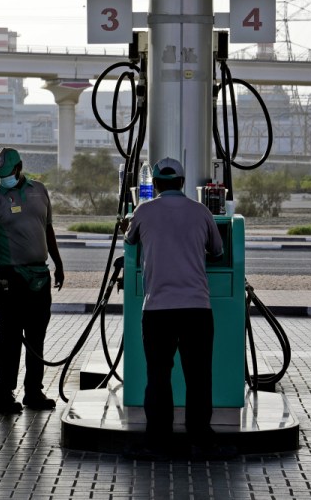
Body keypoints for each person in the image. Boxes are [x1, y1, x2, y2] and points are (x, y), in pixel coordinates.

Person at [121, 157, 224, 455]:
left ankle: (158, 441)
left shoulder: (144, 211)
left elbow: (130, 241)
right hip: (196, 310)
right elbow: (216, 251)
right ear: (181, 182)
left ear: (154, 185)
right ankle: (200, 439)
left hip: (157, 311)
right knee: (198, 377)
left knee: (158, 376)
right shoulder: (201, 211)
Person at [0, 147, 65, 415]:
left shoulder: (40, 191)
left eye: (7, 173)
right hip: (10, 278)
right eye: (0, 174)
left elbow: (47, 229)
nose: (4, 178)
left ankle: (33, 392)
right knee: (9, 336)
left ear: (19, 167)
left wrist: (58, 264)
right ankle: (3, 393)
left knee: (36, 335)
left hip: (40, 275)